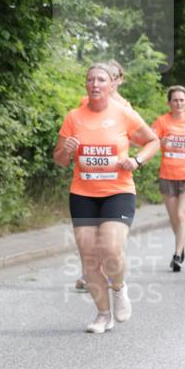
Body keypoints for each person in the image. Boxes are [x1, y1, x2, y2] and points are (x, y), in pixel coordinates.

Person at [53, 63, 159, 334]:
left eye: (101, 80)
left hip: (118, 192)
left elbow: (153, 141)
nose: (95, 84)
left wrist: (136, 161)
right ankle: (103, 314)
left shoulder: (123, 114)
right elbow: (60, 161)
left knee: (110, 248)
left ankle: (119, 287)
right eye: (90, 80)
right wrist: (67, 150)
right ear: (86, 85)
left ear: (112, 85)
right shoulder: (74, 117)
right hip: (83, 193)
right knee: (89, 258)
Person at [75, 60, 132, 291]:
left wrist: (133, 160)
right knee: (88, 240)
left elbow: (139, 137)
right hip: (87, 184)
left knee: (110, 242)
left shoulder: (125, 108)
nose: (113, 80)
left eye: (116, 76)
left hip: (116, 181)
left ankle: (114, 276)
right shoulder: (85, 103)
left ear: (118, 80)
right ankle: (88, 273)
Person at [152, 86, 185, 271]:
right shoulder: (161, 121)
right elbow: (150, 144)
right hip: (167, 175)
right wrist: (161, 143)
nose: (179, 103)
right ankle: (181, 245)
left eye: (182, 100)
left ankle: (176, 255)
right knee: (175, 218)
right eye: (175, 100)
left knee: (181, 214)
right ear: (169, 103)